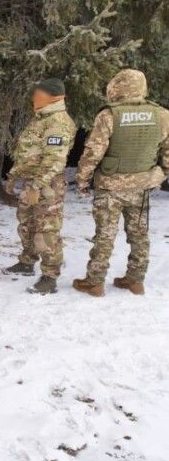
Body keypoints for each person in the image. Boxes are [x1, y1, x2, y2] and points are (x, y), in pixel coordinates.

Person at [73, 69, 169, 297]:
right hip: (142, 185)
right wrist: (161, 174)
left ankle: (95, 282)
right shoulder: (162, 115)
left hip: (110, 186)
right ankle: (135, 281)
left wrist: (83, 179)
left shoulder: (109, 115)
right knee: (139, 234)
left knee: (105, 234)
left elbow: (93, 152)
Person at [2, 78, 77, 294]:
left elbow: (54, 160)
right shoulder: (41, 118)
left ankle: (49, 276)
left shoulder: (58, 122)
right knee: (26, 224)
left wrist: (36, 185)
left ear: (49, 96)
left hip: (47, 185)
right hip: (32, 182)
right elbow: (29, 154)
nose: (33, 97)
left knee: (46, 230)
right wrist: (14, 175)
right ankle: (27, 262)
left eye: (38, 93)